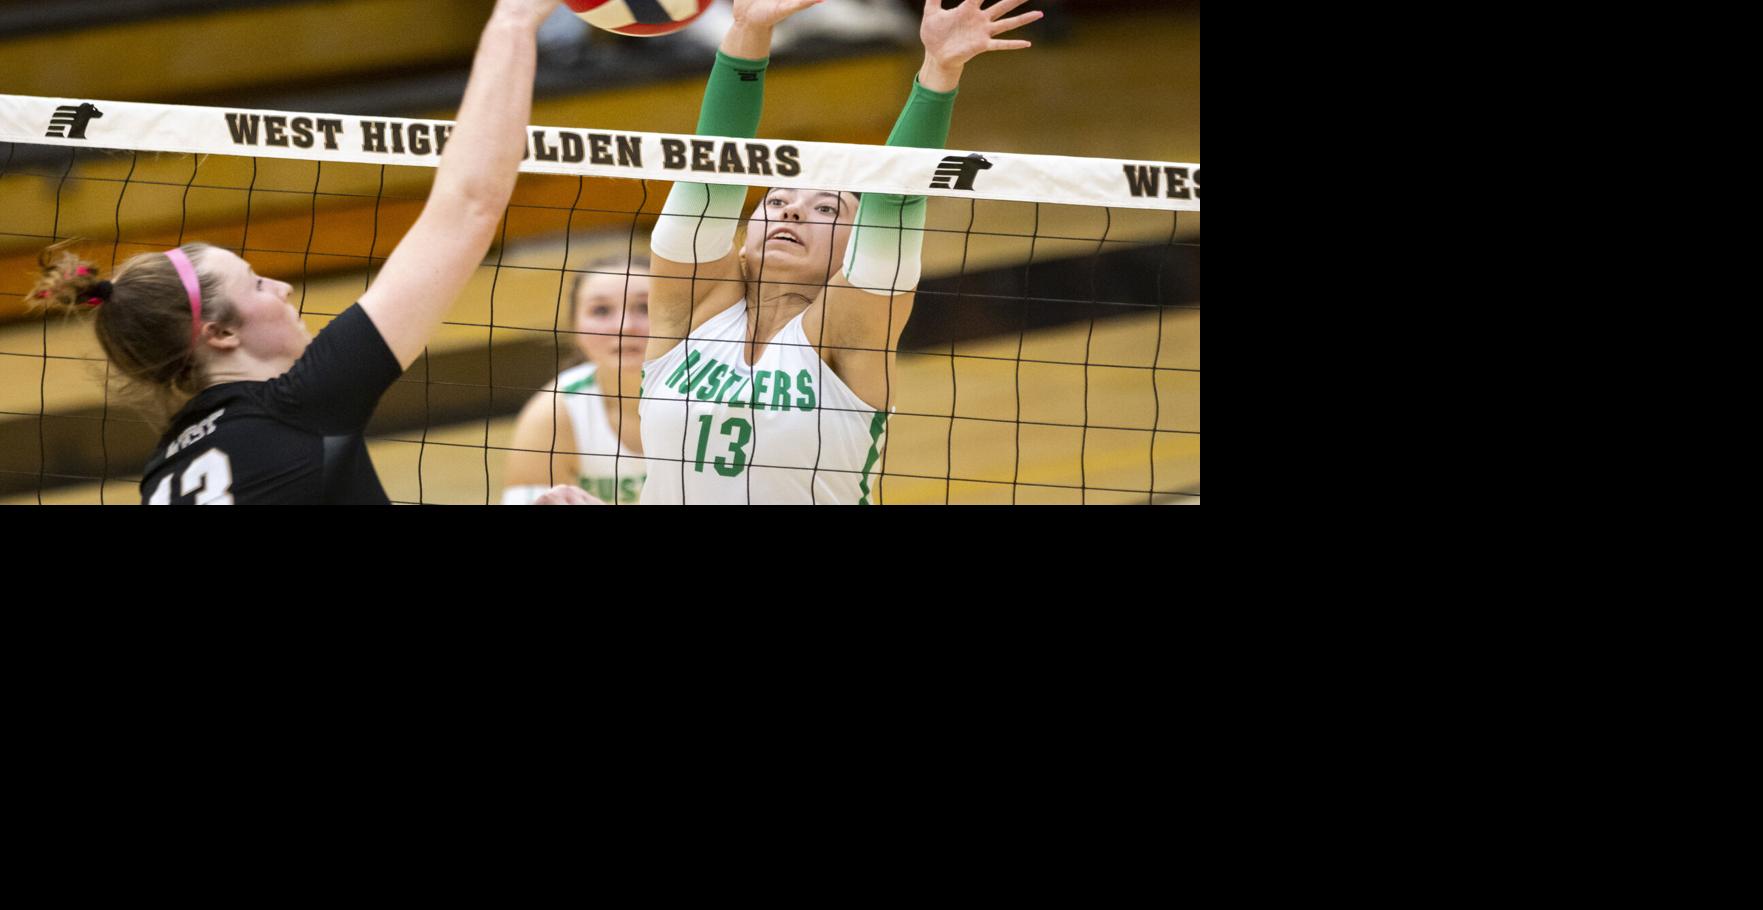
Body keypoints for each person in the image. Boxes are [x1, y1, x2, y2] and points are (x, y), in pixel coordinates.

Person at [25, 0, 567, 505]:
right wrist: (514, 21)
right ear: (220, 332)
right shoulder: (298, 405)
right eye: (258, 283)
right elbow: (468, 207)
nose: (283, 288)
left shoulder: (161, 475)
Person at [640, 0, 1039, 504]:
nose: (792, 211)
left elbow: (894, 199)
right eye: (776, 201)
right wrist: (747, 30)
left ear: (854, 253)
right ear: (744, 234)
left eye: (827, 209)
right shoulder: (692, 308)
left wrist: (939, 72)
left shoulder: (847, 332)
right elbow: (713, 163)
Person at [502, 258, 650, 504]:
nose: (625, 326)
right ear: (574, 326)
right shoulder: (552, 414)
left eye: (645, 307)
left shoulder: (713, 397)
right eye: (601, 311)